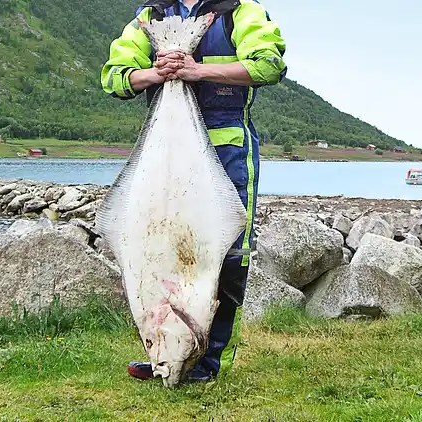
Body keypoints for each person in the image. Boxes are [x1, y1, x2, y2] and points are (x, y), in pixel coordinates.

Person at [101, 0, 287, 383]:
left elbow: (269, 65)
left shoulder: (241, 10)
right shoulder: (150, 16)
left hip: (228, 150)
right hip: (164, 154)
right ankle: (164, 353)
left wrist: (196, 70)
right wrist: (155, 73)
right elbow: (113, 77)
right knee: (152, 257)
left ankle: (209, 363)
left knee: (231, 257)